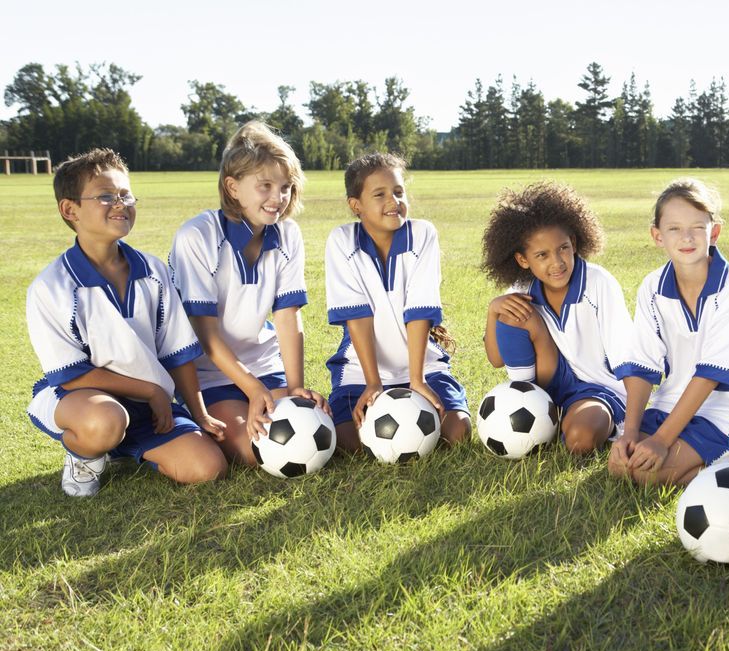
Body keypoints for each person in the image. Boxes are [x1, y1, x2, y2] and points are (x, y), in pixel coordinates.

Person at [26, 149, 227, 496]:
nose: (120, 204)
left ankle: (119, 445)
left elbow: (177, 353)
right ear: (70, 210)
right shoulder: (51, 287)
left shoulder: (154, 272)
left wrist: (200, 414)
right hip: (81, 398)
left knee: (208, 468)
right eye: (106, 196)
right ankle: (85, 454)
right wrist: (151, 390)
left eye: (125, 195)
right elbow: (71, 375)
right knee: (105, 421)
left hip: (148, 407)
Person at [169, 121, 328, 467]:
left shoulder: (287, 234)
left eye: (286, 187)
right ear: (233, 187)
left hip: (265, 367)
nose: (278, 198)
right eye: (265, 186)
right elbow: (205, 335)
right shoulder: (197, 236)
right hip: (209, 375)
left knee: (311, 427)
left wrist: (296, 387)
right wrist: (252, 389)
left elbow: (288, 316)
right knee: (254, 450)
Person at [325, 153, 471, 451]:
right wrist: (373, 382)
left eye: (399, 192)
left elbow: (419, 310)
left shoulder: (422, 234)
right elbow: (358, 316)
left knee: (457, 432)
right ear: (356, 205)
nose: (394, 201)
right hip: (359, 370)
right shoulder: (342, 240)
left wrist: (416, 379)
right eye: (380, 194)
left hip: (423, 366)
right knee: (347, 443)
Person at [608, 178, 729, 485]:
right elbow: (643, 366)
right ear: (657, 236)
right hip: (667, 404)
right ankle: (697, 464)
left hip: (721, 412)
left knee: (647, 475)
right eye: (674, 228)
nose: (686, 237)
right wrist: (629, 433)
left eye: (697, 227)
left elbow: (710, 374)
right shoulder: (653, 287)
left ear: (715, 231)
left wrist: (661, 440)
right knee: (620, 467)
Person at [482, 182, 631, 455]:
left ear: (573, 243)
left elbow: (627, 357)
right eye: (542, 255)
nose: (557, 262)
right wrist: (494, 310)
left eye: (563, 248)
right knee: (512, 310)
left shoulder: (598, 284)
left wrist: (635, 422)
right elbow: (495, 359)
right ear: (523, 260)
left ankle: (560, 419)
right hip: (547, 382)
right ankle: (528, 402)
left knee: (580, 439)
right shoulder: (521, 288)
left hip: (595, 389)